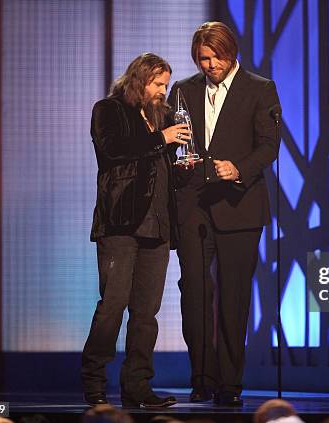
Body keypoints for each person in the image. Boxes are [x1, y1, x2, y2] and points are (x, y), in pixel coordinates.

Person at [167, 21, 281, 406]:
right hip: (194, 206)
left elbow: (269, 146)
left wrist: (240, 168)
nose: (209, 65)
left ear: (230, 52)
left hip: (240, 205)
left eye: (215, 57)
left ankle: (230, 383)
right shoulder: (183, 90)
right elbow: (174, 144)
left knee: (234, 298)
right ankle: (202, 377)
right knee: (195, 294)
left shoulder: (260, 89)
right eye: (203, 59)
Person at [81, 53, 190, 408]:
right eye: (158, 84)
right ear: (139, 80)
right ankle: (94, 381)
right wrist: (162, 138)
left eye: (166, 85)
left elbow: (162, 169)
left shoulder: (160, 118)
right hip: (121, 224)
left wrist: (184, 164)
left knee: (146, 313)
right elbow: (112, 151)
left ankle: (137, 385)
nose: (163, 91)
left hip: (157, 226)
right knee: (113, 305)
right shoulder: (109, 110)